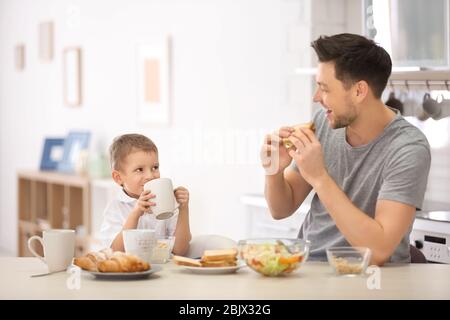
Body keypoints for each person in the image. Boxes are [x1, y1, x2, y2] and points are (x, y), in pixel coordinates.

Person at [261, 33, 431, 265]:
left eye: (325, 88)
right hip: (309, 268)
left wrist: (320, 177)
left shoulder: (408, 148)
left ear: (359, 91)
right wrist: (274, 170)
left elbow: (378, 251)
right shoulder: (324, 122)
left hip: (372, 280)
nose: (316, 97)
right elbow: (280, 209)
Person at [100, 133, 191, 255]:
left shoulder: (167, 202)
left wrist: (183, 208)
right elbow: (114, 252)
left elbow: (180, 250)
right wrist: (136, 213)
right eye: (139, 170)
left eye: (155, 167)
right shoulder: (115, 208)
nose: (150, 176)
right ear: (118, 178)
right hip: (129, 272)